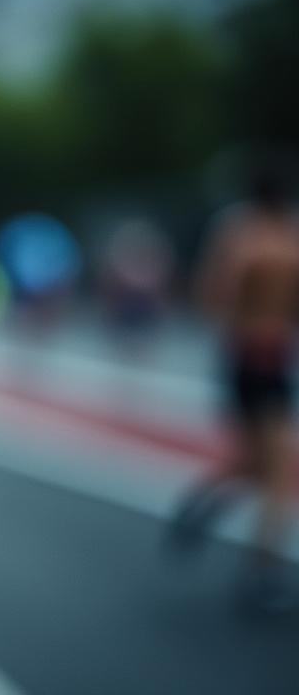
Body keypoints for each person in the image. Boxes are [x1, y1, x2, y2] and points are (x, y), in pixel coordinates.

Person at [168, 151, 299, 614]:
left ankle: (201, 504)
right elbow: (215, 294)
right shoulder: (257, 236)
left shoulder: (252, 234)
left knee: (258, 465)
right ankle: (261, 574)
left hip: (265, 359)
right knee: (281, 467)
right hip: (255, 359)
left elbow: (211, 294)